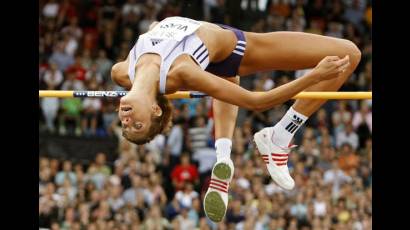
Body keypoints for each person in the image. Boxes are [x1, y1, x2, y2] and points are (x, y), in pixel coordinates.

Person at [111, 16, 360, 222]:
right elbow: (256, 102)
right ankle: (280, 136)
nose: (127, 121)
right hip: (237, 50)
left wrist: (156, 26)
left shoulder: (122, 72)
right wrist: (314, 77)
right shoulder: (179, 72)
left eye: (126, 126)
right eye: (137, 126)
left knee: (226, 80)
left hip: (210, 44)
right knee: (348, 53)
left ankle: (223, 155)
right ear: (155, 110)